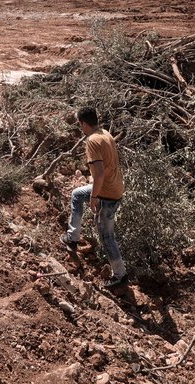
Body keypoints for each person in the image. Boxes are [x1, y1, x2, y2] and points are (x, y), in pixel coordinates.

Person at [60, 106, 128, 288]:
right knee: (76, 194)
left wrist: (94, 197)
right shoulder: (105, 133)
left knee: (106, 236)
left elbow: (98, 175)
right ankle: (72, 238)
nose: (79, 127)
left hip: (107, 194)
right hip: (115, 187)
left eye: (79, 124)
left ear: (83, 123)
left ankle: (120, 275)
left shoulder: (92, 141)